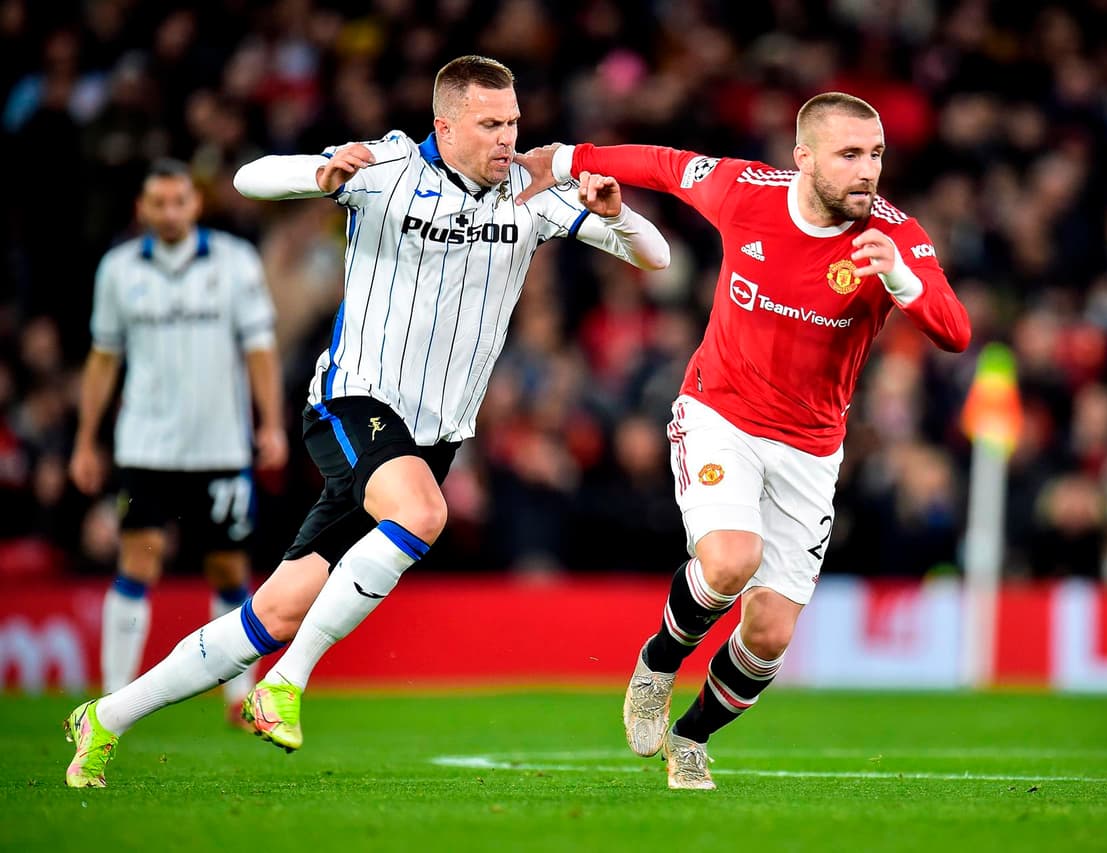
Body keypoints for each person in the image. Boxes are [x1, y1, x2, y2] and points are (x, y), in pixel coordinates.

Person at [62, 55, 669, 788]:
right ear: (444, 125)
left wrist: (618, 214)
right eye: (490, 124)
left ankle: (105, 717)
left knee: (276, 609)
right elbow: (249, 178)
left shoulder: (532, 195)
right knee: (422, 512)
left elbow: (656, 258)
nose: (508, 137)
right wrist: (317, 175)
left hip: (434, 434)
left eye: (513, 122)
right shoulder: (385, 168)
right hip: (354, 402)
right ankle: (287, 683)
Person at [515, 92, 971, 790]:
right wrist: (569, 157)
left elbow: (956, 331)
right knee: (730, 560)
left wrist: (906, 282)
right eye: (850, 154)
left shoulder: (894, 236)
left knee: (769, 635)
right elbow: (666, 166)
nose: (868, 170)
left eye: (876, 154)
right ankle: (658, 663)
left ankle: (692, 737)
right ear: (805, 158)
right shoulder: (746, 192)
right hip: (719, 414)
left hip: (813, 449)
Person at [68, 159, 287, 725]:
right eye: (158, 203)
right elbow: (103, 357)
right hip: (146, 446)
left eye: (179, 201)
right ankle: (113, 696)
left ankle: (240, 699)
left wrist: (270, 424)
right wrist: (86, 441)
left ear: (196, 204)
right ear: (142, 209)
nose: (169, 212)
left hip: (220, 446)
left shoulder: (235, 261)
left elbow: (259, 347)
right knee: (138, 562)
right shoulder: (118, 270)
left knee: (227, 569)